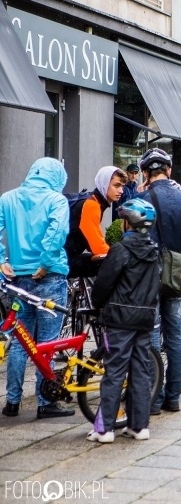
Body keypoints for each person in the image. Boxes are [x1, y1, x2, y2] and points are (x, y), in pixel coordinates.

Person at [0, 157, 73, 418]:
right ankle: (45, 401)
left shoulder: (8, 198)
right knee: (48, 342)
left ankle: (12, 402)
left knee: (22, 342)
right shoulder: (56, 200)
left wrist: (1, 261)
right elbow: (56, 233)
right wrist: (45, 262)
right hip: (49, 276)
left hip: (18, 280)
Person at [87, 199, 161, 443]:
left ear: (127, 223)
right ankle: (139, 427)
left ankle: (104, 429)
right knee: (140, 371)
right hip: (144, 318)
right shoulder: (154, 250)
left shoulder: (120, 249)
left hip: (119, 319)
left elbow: (104, 283)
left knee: (114, 372)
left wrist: (97, 304)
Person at [137, 148, 181, 414]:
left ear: (146, 173)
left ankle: (154, 399)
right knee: (175, 335)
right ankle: (173, 397)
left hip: (151, 273)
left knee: (152, 336)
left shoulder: (145, 197)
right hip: (176, 271)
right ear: (168, 170)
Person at [64, 166, 126, 278]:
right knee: (106, 262)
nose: (121, 191)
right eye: (116, 186)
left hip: (65, 255)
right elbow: (98, 247)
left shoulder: (93, 200)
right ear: (104, 183)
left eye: (122, 186)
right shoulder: (92, 205)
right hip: (63, 260)